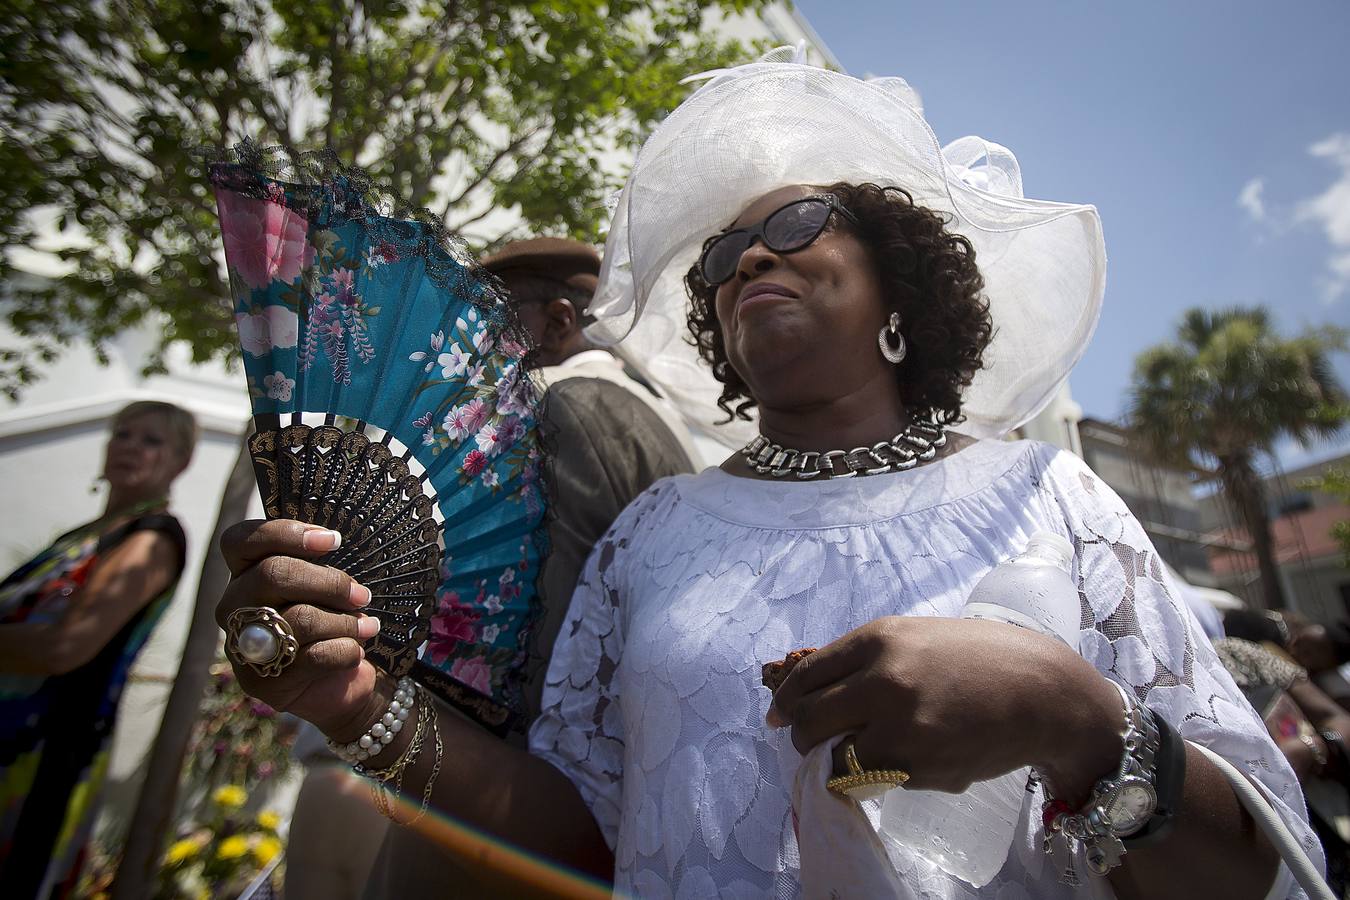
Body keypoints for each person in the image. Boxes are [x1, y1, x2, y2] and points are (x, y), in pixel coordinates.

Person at [216, 56, 1319, 898]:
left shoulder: (1053, 500)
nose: (747, 257)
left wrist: (1074, 721)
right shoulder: (655, 530)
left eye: (794, 225)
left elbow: (1266, 870)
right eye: (721, 257)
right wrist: (360, 705)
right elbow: (581, 835)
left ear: (899, 285)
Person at [352, 238, 695, 896]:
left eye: (488, 324)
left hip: (502, 823)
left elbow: (517, 674)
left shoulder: (557, 411)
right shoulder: (655, 419)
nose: (468, 348)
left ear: (559, 322)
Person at [0, 400, 194, 898]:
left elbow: (65, 647)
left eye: (151, 440)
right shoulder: (80, 536)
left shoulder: (153, 538)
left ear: (181, 461)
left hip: (45, 748)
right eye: (122, 434)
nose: (130, 447)